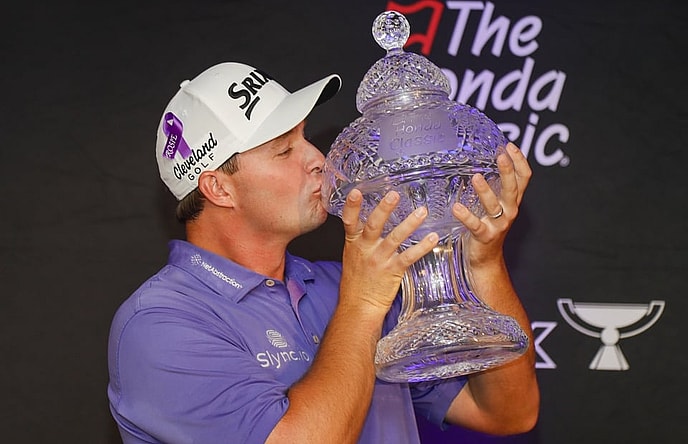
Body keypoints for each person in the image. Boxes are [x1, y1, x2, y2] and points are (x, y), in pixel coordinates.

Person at [107, 61, 539, 444]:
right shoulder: (159, 325)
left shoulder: (340, 284)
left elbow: (508, 413)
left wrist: (480, 261)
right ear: (218, 188)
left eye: (305, 138)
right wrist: (363, 304)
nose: (317, 158)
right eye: (284, 150)